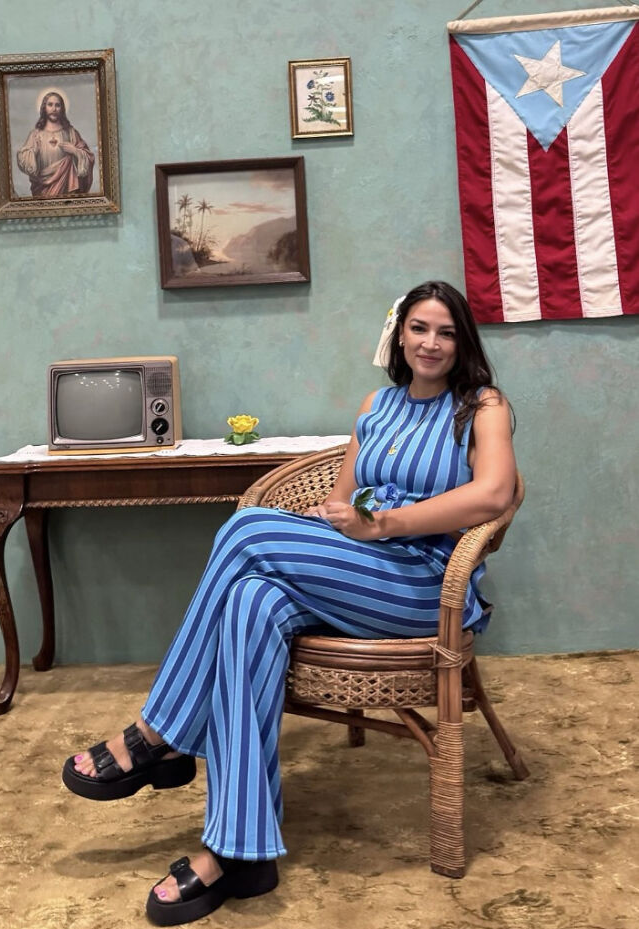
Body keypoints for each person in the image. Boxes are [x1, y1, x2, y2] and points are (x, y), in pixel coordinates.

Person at [62, 280, 516, 927]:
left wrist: (385, 524)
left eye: (446, 332)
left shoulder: (481, 406)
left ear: (462, 341)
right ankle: (239, 851)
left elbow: (495, 493)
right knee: (250, 602)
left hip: (423, 586)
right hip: (358, 571)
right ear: (400, 335)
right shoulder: (377, 406)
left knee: (247, 530)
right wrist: (321, 528)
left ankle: (160, 732)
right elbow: (340, 503)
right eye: (419, 328)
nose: (431, 343)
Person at [16, 91, 95, 198]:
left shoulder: (71, 133)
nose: (54, 109)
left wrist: (75, 151)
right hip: (42, 188)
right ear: (44, 108)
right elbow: (24, 160)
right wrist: (33, 152)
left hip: (67, 188)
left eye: (57, 105)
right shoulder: (35, 134)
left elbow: (89, 157)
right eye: (50, 105)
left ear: (62, 109)